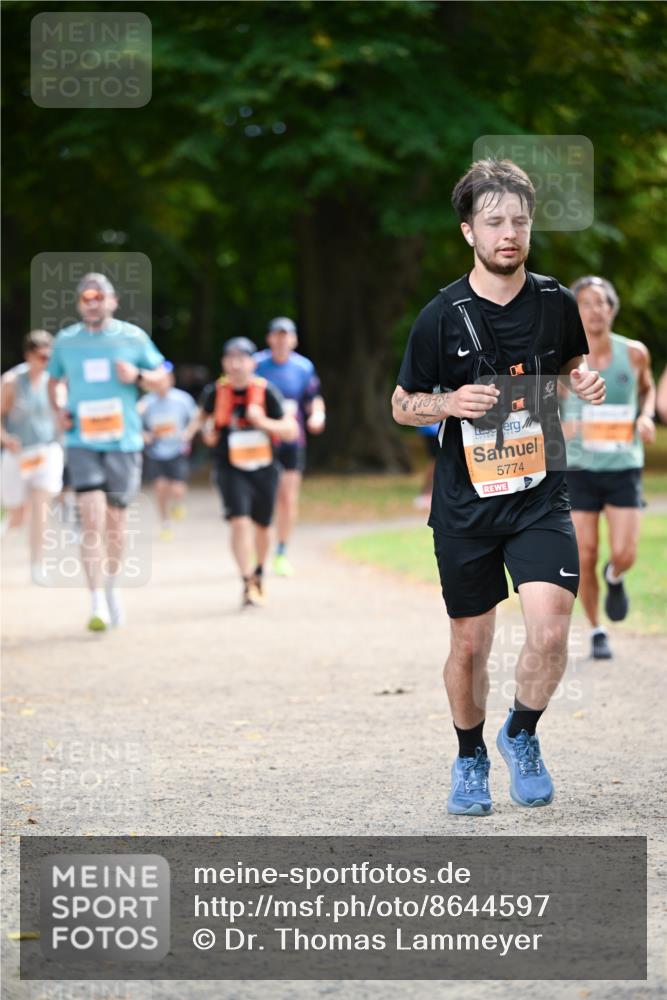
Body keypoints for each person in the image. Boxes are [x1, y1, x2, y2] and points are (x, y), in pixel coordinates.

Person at [392, 158, 605, 816]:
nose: (508, 232)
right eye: (493, 222)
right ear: (468, 233)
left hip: (540, 496)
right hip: (464, 506)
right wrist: (448, 403)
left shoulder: (554, 302)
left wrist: (583, 382)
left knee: (547, 632)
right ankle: (469, 755)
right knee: (468, 644)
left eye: (518, 220)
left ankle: (521, 733)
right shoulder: (440, 316)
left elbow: (571, 363)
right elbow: (401, 404)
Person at [47, 273, 166, 631]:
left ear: (112, 301)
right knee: (91, 518)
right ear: (79, 303)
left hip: (123, 443)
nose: (93, 301)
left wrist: (139, 378)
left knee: (116, 524)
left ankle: (112, 586)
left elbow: (163, 378)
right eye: (86, 297)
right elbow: (54, 381)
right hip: (83, 441)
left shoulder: (132, 337)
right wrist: (60, 408)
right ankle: (95, 598)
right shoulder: (66, 342)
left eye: (99, 296)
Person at [560, 276, 656, 660]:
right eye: (585, 303)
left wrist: (646, 417)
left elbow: (647, 390)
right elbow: (546, 401)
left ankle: (614, 576)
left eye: (601, 303)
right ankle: (597, 629)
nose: (594, 310)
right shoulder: (564, 358)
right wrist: (559, 426)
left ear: (612, 309)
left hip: (622, 465)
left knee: (624, 551)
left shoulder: (633, 354)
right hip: (579, 466)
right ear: (575, 311)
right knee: (584, 552)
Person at [196, 337, 298, 607]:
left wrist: (261, 421)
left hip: (264, 467)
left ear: (253, 362)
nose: (236, 364)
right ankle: (245, 580)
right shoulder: (215, 392)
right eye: (230, 358)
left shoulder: (267, 392)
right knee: (238, 521)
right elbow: (203, 421)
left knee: (262, 525)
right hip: (229, 467)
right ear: (223, 363)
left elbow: (291, 430)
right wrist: (206, 433)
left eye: (242, 358)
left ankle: (259, 572)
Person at [254, 317, 325, 576]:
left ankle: (281, 551)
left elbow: (313, 399)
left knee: (287, 497)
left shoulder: (303, 367)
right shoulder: (256, 364)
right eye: (277, 335)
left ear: (294, 340)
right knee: (263, 496)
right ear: (270, 338)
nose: (282, 340)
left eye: (287, 336)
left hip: (293, 440)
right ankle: (259, 545)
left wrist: (318, 415)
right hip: (261, 440)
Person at [1, 330, 64, 581]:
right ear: (29, 355)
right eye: (41, 356)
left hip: (46, 452)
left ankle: (38, 565)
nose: (46, 361)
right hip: (18, 455)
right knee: (18, 515)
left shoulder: (54, 381)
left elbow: (61, 414)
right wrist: (5, 438)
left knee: (41, 509)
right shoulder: (11, 382)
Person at [140, 362, 197, 540]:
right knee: (160, 488)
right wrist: (144, 435)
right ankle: (165, 523)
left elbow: (196, 419)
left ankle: (178, 503)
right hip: (156, 452)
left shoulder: (183, 399)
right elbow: (134, 424)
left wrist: (188, 433)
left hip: (177, 450)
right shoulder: (146, 403)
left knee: (177, 489)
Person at [413, 423, 440, 511]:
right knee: (435, 460)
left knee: (435, 460)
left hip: (433, 428)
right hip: (433, 429)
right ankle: (426, 494)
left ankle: (427, 493)